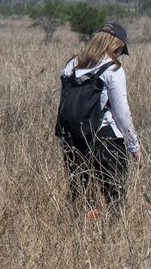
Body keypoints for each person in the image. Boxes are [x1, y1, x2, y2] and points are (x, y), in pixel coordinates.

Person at [56, 21, 138, 216]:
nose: (118, 55)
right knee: (114, 199)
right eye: (120, 50)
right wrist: (134, 146)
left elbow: (65, 101)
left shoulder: (71, 65)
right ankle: (111, 240)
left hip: (73, 140)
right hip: (106, 139)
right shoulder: (113, 69)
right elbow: (121, 111)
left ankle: (82, 237)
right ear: (116, 45)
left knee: (81, 197)